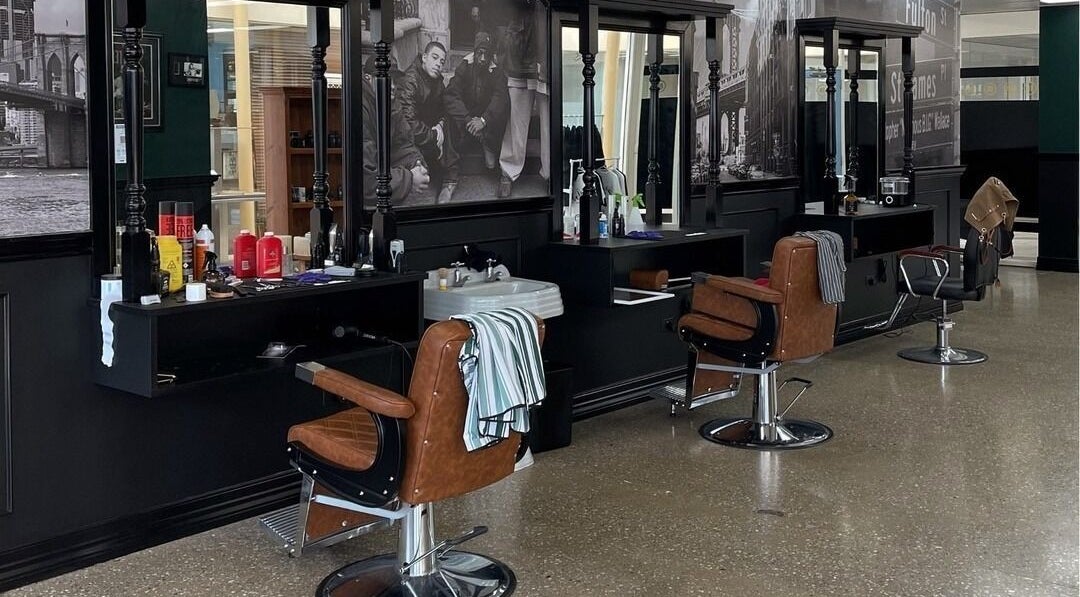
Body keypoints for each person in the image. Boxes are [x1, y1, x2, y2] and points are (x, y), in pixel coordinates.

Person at [443, 32, 509, 202]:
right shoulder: (465, 66)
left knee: (504, 109)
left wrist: (484, 121)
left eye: (486, 54)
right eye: (479, 53)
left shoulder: (496, 71)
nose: (482, 58)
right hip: (467, 121)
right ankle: (450, 179)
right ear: (474, 52)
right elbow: (451, 95)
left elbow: (499, 98)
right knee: (450, 117)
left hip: (486, 123)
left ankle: (488, 144)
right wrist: (467, 120)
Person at [494, 0, 549, 198]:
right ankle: (508, 171)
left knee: (549, 121)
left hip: (549, 41)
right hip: (521, 42)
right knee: (517, 118)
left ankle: (551, 174)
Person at [361, 56, 430, 203]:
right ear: (367, 78)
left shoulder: (390, 101)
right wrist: (409, 179)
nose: (393, 86)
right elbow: (365, 181)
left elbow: (404, 144)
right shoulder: (359, 107)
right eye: (387, 78)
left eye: (395, 80)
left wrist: (417, 165)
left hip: (382, 170)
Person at [398, 41, 457, 204]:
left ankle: (449, 180)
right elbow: (408, 124)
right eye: (435, 58)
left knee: (452, 115)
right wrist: (433, 135)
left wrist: (440, 126)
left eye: (442, 61)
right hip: (412, 139)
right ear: (424, 57)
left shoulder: (437, 81)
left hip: (430, 134)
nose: (438, 64)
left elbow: (444, 108)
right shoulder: (410, 81)